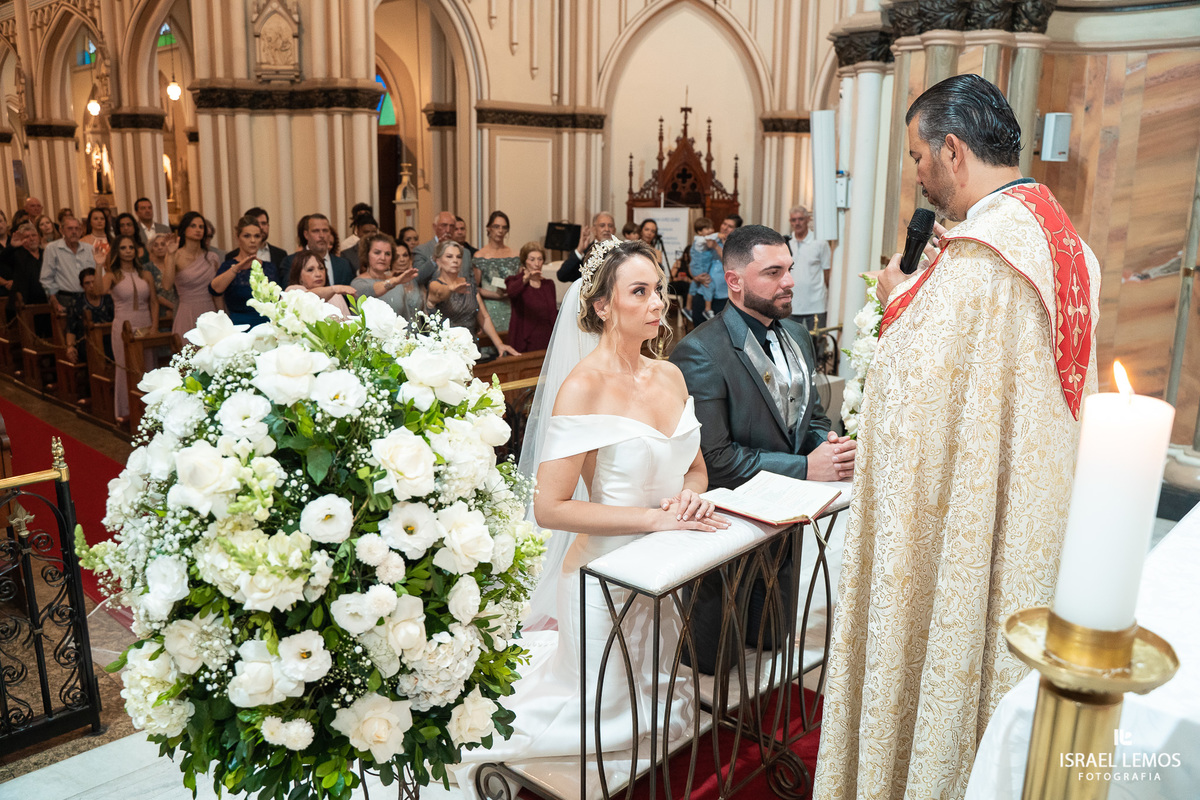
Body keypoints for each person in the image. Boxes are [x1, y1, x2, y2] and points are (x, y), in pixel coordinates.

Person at [812, 75, 1102, 800]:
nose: (916, 174)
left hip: (965, 546)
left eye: (917, 156)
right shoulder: (1064, 240)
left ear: (951, 148)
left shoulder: (982, 261)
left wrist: (895, 297)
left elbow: (906, 410)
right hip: (1039, 527)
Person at [451, 239, 739, 796]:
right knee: (602, 714)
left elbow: (696, 470)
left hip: (666, 569)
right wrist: (654, 520)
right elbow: (550, 507)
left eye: (658, 288)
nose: (658, 302)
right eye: (640, 291)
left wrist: (691, 499)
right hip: (601, 579)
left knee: (652, 692)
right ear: (603, 306)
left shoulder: (671, 376)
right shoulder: (582, 386)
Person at [669, 224, 852, 674]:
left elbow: (809, 416)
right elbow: (716, 460)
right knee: (717, 663)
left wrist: (826, 447)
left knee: (771, 644)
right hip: (727, 532)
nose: (789, 281)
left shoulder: (799, 336)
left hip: (785, 526)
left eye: (789, 269)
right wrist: (806, 467)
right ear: (734, 281)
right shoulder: (700, 352)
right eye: (773, 272)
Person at [97, 234, 158, 424]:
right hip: (123, 326)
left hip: (146, 323)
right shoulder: (112, 275)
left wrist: (155, 326)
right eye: (123, 248)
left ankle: (152, 410)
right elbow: (98, 292)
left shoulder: (145, 274)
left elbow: (154, 302)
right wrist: (98, 265)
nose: (128, 251)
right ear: (117, 251)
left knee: (148, 367)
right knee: (126, 369)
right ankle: (126, 412)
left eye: (131, 247)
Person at [426, 240, 518, 358]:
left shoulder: (468, 284)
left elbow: (484, 317)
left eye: (458, 257)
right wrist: (451, 289)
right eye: (449, 256)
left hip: (471, 348)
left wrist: (499, 344)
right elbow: (439, 293)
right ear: (438, 261)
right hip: (445, 352)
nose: (455, 260)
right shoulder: (434, 285)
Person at [211, 215, 280, 327]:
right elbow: (215, 289)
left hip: (267, 326)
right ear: (238, 238)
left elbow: (277, 300)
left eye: (257, 236)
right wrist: (237, 268)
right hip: (239, 327)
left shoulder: (270, 268)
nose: (252, 240)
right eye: (247, 236)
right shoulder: (229, 266)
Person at [163, 213, 219, 336]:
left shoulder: (212, 257)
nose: (198, 230)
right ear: (184, 230)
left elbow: (218, 291)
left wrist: (222, 314)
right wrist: (171, 254)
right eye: (193, 226)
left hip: (209, 310)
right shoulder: (175, 255)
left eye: (201, 227)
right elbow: (167, 286)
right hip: (187, 311)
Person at [350, 232, 420, 319]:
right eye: (377, 253)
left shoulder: (397, 283)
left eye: (387, 254)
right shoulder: (358, 283)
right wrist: (396, 281)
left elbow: (405, 318)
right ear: (366, 254)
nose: (383, 258)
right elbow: (372, 290)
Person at [783, 205, 831, 331]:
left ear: (808, 219)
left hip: (816, 303)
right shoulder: (785, 242)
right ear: (790, 222)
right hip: (791, 302)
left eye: (801, 219)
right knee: (791, 342)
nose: (797, 223)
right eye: (793, 220)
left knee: (817, 343)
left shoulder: (820, 242)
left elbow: (827, 272)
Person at [504, 241, 557, 352]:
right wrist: (525, 279)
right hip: (523, 341)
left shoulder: (549, 284)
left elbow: (553, 314)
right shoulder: (515, 281)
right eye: (532, 259)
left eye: (540, 259)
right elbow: (511, 292)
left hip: (547, 339)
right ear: (524, 261)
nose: (537, 263)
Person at [472, 211, 520, 333]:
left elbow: (520, 283)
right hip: (489, 308)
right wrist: (495, 295)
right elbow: (475, 288)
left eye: (504, 227)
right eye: (496, 226)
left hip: (512, 307)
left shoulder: (515, 254)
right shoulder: (480, 255)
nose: (500, 230)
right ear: (489, 228)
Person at [40, 215, 93, 324]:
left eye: (77, 229)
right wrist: (54, 301)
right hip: (65, 299)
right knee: (70, 336)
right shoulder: (52, 248)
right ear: (61, 230)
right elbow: (46, 279)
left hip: (89, 298)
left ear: (81, 231)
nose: (74, 232)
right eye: (70, 228)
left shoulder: (89, 249)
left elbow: (98, 273)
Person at [281, 214, 353, 286]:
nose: (321, 235)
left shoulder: (344, 264)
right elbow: (289, 292)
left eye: (325, 230)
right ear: (306, 235)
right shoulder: (291, 261)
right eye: (316, 231)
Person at [64, 266, 114, 366]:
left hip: (110, 340)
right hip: (87, 343)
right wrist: (70, 346)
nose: (91, 285)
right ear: (82, 286)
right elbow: (71, 328)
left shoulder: (108, 299)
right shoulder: (77, 301)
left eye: (94, 282)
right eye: (87, 283)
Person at [286, 249, 355, 318]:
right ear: (299, 276)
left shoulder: (336, 295)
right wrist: (334, 289)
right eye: (310, 270)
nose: (318, 274)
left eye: (321, 268)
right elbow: (307, 297)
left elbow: (348, 323)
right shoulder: (292, 291)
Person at [412, 210, 473, 286]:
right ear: (434, 227)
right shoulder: (422, 250)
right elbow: (417, 278)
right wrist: (434, 257)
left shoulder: (465, 253)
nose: (448, 230)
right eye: (444, 225)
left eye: (452, 226)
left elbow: (472, 283)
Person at [556, 211, 616, 283]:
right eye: (602, 225)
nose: (607, 229)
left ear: (614, 230)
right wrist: (579, 250)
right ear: (594, 230)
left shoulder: (621, 251)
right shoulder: (584, 252)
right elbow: (562, 275)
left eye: (610, 226)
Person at [224, 206, 289, 267]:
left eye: (263, 223)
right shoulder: (231, 256)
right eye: (256, 224)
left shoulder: (280, 254)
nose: (260, 227)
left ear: (268, 226)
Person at [687, 217, 721, 323]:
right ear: (699, 232)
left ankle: (687, 308)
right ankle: (707, 309)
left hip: (698, 267)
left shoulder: (705, 240)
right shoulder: (698, 240)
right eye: (706, 229)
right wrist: (718, 235)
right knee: (709, 284)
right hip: (699, 267)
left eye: (711, 227)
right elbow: (708, 238)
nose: (710, 230)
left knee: (694, 285)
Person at [145, 232, 180, 313]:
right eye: (156, 245)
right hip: (158, 311)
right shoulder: (147, 268)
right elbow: (152, 294)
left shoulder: (176, 264)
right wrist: (173, 307)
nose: (160, 247)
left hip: (180, 306)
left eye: (163, 244)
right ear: (151, 248)